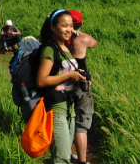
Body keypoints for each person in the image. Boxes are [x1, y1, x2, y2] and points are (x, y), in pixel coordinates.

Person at [36, 9, 87, 164]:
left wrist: (79, 78)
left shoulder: (66, 49)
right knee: (62, 158)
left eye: (71, 26)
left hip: (69, 106)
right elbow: (42, 80)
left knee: (65, 155)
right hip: (56, 107)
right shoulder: (50, 49)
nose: (69, 30)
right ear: (53, 27)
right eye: (65, 26)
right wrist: (68, 75)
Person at [68, 10, 97, 164]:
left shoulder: (59, 40)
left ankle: (67, 154)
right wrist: (77, 31)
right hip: (81, 83)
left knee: (65, 119)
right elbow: (94, 42)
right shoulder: (82, 40)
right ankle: (82, 161)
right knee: (81, 126)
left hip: (63, 83)